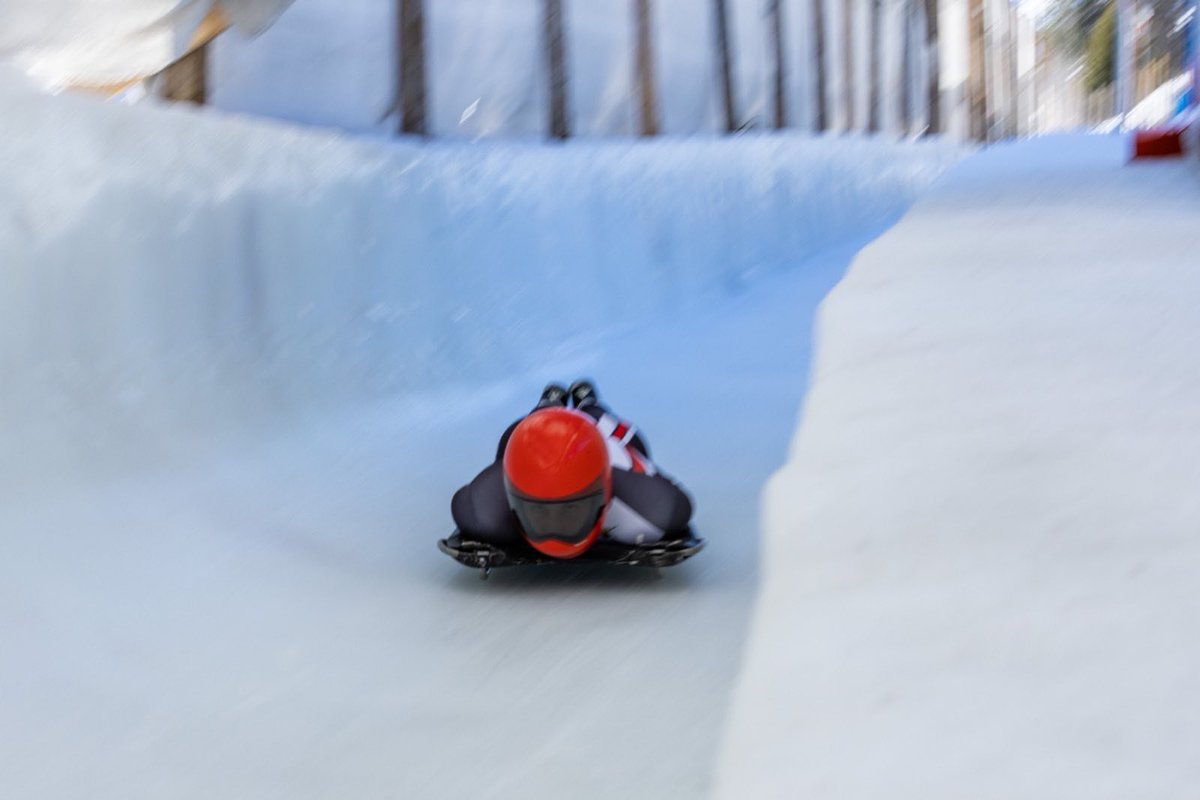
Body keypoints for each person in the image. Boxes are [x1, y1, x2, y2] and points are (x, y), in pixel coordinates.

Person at [450, 380, 693, 559]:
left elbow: (674, 498)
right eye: (539, 513)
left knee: (619, 433)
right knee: (520, 435)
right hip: (528, 453)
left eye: (569, 511)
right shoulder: (485, 513)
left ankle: (588, 404)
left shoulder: (656, 512)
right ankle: (550, 406)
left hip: (607, 441)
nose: (554, 527)